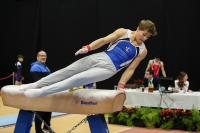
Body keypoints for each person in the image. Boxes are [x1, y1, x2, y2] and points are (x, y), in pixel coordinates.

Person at [19, 19, 157, 98]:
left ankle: (42, 91)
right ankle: (36, 84)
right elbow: (103, 40)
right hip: (100, 56)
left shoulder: (143, 51)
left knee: (77, 79)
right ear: (138, 28)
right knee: (69, 70)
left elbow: (131, 68)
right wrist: (88, 48)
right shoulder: (123, 32)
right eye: (144, 34)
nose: (144, 38)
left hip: (110, 69)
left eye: (148, 37)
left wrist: (121, 86)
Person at [30, 50, 52, 133]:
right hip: (40, 93)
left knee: (48, 111)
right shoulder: (35, 67)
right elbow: (38, 82)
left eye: (45, 56)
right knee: (40, 112)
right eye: (41, 56)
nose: (43, 57)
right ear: (37, 57)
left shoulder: (45, 67)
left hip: (48, 92)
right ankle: (38, 130)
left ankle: (47, 127)